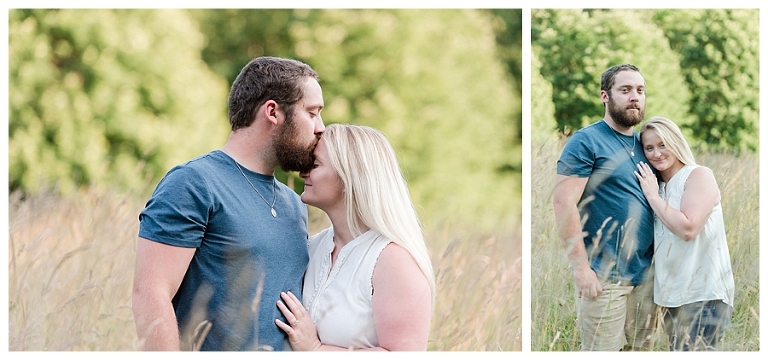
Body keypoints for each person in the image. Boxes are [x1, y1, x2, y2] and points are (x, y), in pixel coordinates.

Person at [132, 56, 326, 351]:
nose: (320, 127)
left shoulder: (294, 202)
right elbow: (150, 294)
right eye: (312, 113)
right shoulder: (194, 183)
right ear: (272, 112)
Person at [273, 124, 435, 351]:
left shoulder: (393, 261)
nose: (303, 173)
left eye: (315, 165)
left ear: (349, 175)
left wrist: (315, 349)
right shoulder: (312, 248)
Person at [553, 63, 657, 351]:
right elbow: (563, 202)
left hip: (646, 277)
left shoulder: (647, 145)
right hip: (604, 278)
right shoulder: (587, 141)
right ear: (605, 96)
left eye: (640, 90)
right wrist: (580, 268)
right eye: (625, 90)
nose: (634, 97)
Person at [634, 116, 735, 351]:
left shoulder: (698, 175)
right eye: (649, 148)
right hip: (671, 298)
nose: (657, 153)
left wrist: (652, 196)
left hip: (704, 296)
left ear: (676, 142)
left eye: (663, 145)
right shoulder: (656, 185)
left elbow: (688, 228)